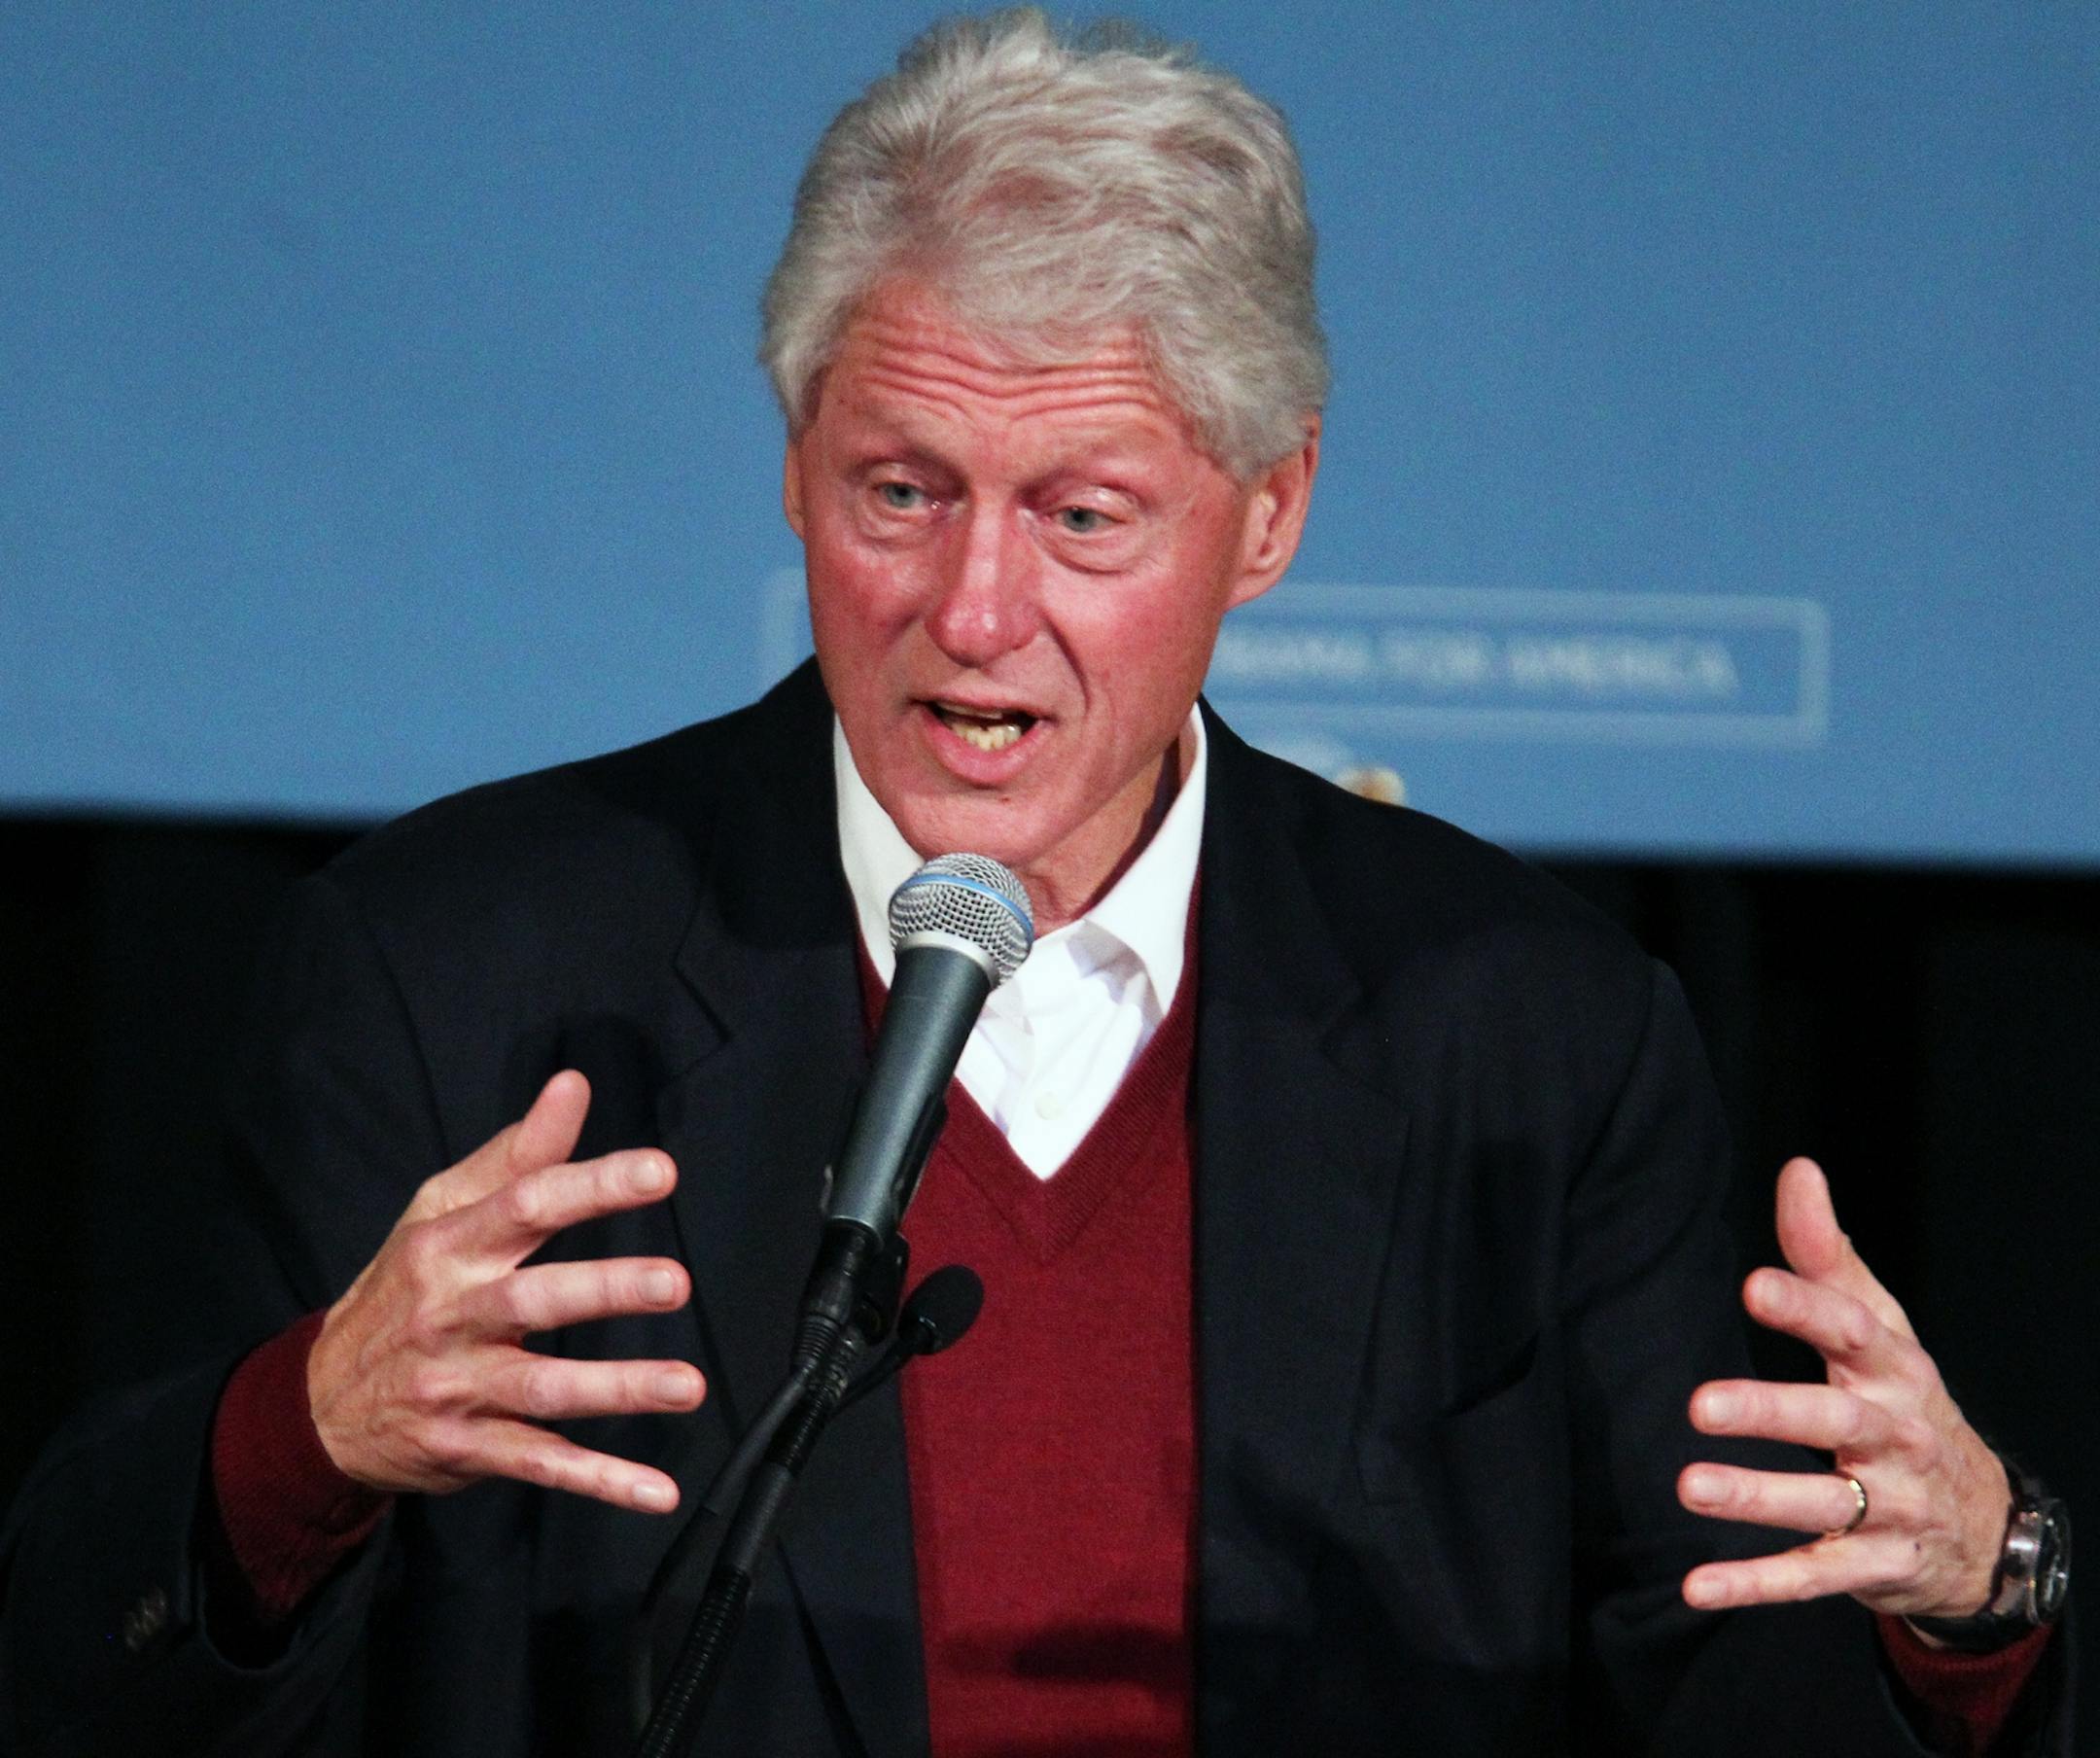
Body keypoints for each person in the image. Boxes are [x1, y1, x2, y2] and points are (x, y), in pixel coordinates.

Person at [0, 13, 2072, 1755]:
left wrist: (1977, 1600)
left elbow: (1728, 1707)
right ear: (797, 455)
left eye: (1084, 515)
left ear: (1268, 515)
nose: (972, 610)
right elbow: (75, 1669)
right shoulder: (461, 976)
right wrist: (307, 1436)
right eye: (899, 492)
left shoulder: (1527, 1037)